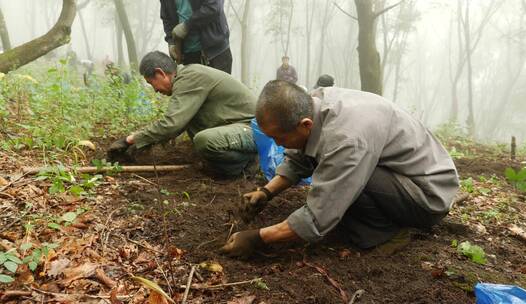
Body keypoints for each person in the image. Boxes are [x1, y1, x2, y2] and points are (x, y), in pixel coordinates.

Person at [220, 81, 460, 259]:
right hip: (400, 175)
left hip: (427, 195)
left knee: (347, 181)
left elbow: (318, 216)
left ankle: (388, 233)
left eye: (279, 138)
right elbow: (299, 155)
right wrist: (266, 192)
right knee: (337, 169)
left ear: (305, 125)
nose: (278, 145)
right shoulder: (312, 105)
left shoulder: (346, 139)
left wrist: (257, 238)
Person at [106, 51, 257, 177]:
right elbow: (178, 124)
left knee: (205, 140)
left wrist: (130, 140)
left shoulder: (189, 78)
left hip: (254, 130)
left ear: (160, 73)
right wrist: (140, 144)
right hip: (240, 129)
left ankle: (249, 166)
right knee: (197, 133)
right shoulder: (187, 76)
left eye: (152, 83)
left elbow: (172, 124)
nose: (155, 90)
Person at [159, 0, 232, 74]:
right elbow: (166, 18)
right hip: (187, 57)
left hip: (216, 53)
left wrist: (187, 26)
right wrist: (171, 41)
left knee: (220, 85)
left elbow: (213, 7)